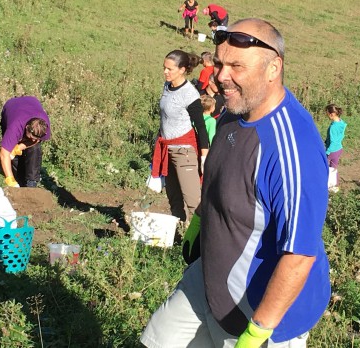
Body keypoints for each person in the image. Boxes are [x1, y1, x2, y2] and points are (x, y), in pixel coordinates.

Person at [142, 19, 331, 348]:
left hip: (260, 312)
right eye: (219, 63)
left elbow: (300, 256)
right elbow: (218, 175)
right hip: (209, 279)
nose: (220, 76)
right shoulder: (232, 113)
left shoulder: (293, 147)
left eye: (236, 66)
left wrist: (257, 334)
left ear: (273, 69)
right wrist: (199, 219)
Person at [151, 50, 210, 223]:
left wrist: (204, 158)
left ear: (182, 69)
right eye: (164, 67)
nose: (165, 72)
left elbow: (201, 126)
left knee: (193, 202)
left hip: (183, 151)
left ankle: (205, 236)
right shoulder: (167, 86)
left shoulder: (190, 94)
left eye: (170, 69)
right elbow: (165, 119)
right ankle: (177, 235)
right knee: (174, 198)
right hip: (166, 148)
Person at [0, 96, 50, 188]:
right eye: (31, 137)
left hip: (31, 102)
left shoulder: (44, 127)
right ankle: (18, 179)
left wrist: (19, 148)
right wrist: (10, 180)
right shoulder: (14, 127)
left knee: (35, 148)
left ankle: (31, 182)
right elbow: (4, 154)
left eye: (35, 138)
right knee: (11, 152)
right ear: (26, 128)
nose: (33, 140)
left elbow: (36, 140)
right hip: (12, 107)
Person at [325, 104, 347, 193]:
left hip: (332, 150)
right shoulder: (341, 123)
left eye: (327, 113)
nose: (326, 115)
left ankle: (328, 185)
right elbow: (339, 136)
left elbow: (333, 142)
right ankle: (335, 185)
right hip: (339, 148)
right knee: (333, 167)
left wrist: (327, 152)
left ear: (332, 114)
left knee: (325, 167)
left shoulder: (333, 127)